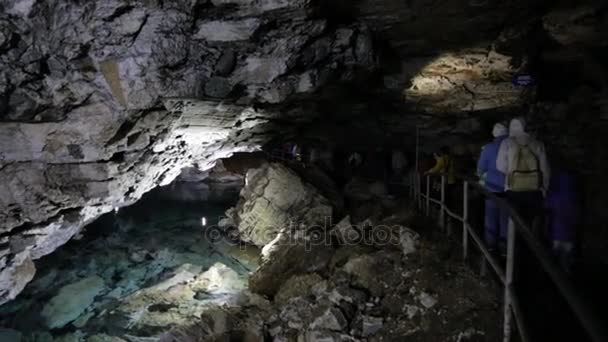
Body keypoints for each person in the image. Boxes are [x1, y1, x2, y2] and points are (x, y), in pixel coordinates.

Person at [496, 117, 550, 229]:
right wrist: (544, 188)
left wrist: (513, 173)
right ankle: (530, 245)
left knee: (514, 224)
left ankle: (514, 246)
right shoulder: (538, 143)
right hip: (534, 190)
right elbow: (545, 170)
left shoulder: (507, 143)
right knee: (531, 224)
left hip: (513, 189)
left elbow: (500, 166)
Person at [477, 123, 509, 252]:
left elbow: (480, 169)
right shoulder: (511, 147)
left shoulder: (488, 148)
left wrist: (481, 177)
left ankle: (490, 247)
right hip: (508, 189)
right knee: (505, 220)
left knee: (491, 217)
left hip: (491, 189)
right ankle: (505, 248)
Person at [545, 169, 579, 273]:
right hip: (570, 237)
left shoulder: (555, 197)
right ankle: (566, 280)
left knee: (553, 263)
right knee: (566, 263)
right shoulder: (575, 198)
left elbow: (545, 205)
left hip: (556, 235)